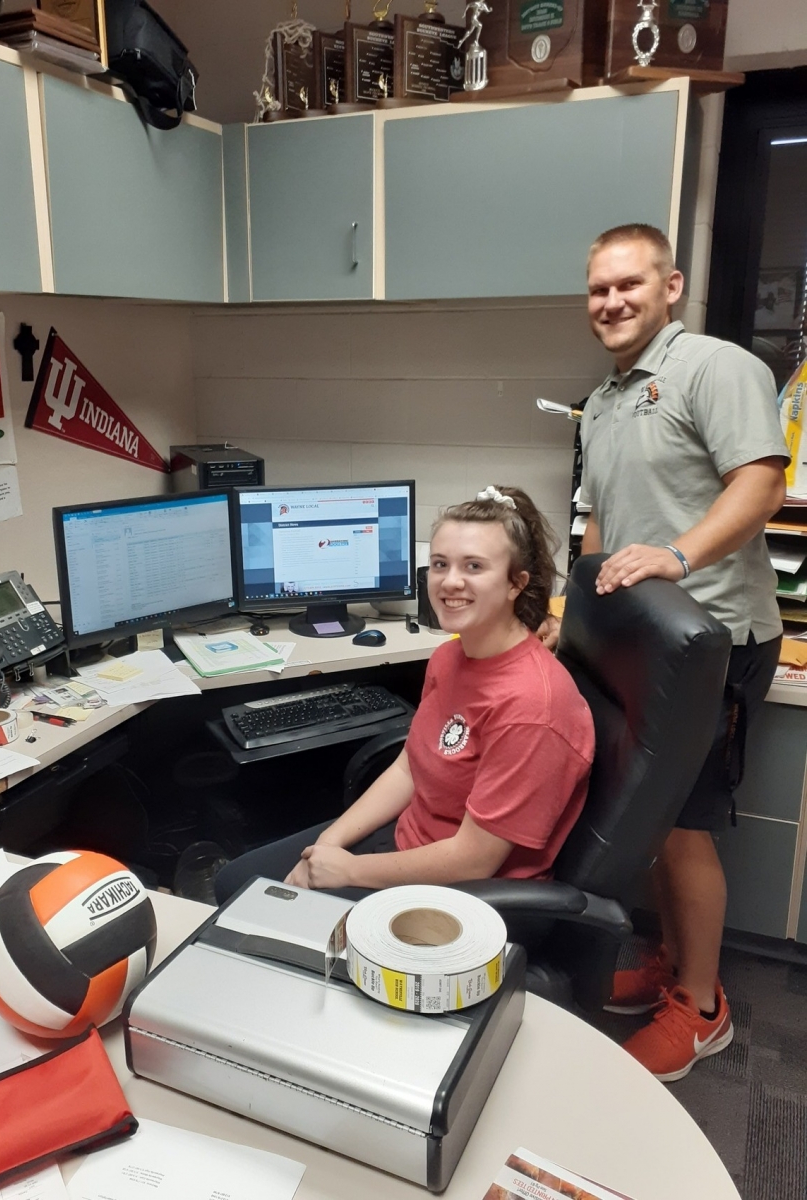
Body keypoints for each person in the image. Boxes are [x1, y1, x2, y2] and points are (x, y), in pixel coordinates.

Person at [578, 223, 789, 1083]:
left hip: (712, 639)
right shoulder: (604, 398)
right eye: (598, 289)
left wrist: (678, 555)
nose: (612, 301)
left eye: (629, 284)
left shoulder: (715, 366)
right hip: (640, 643)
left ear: (672, 286)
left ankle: (702, 1011)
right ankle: (671, 961)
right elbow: (599, 519)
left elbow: (763, 480)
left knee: (686, 824)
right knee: (655, 822)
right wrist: (574, 603)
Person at [213, 485, 594, 905]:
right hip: (406, 845)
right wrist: (327, 845)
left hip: (470, 897)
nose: (451, 581)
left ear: (514, 584)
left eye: (474, 566)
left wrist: (349, 870)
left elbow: (473, 861)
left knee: (254, 912)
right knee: (237, 882)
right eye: (439, 564)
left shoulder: (532, 707)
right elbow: (408, 769)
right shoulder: (451, 656)